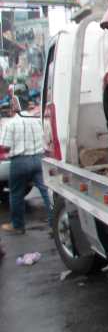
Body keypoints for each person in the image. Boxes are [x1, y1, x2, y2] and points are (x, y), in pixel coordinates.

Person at [0, 96, 52, 235]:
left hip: (19, 162)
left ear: (14, 107)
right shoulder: (37, 121)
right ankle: (54, 223)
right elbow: (46, 139)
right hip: (38, 160)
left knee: (16, 194)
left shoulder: (10, 124)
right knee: (46, 192)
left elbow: (4, 146)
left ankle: (18, 226)